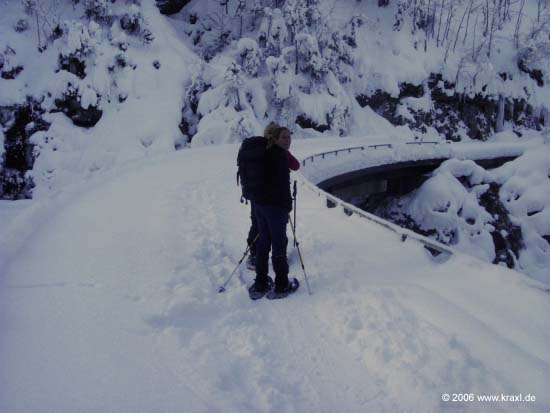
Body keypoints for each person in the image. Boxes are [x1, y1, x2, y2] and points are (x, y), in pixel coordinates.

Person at [249, 126, 300, 300]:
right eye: (284, 137)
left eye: (289, 136)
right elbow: (282, 185)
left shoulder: (264, 152)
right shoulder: (280, 156)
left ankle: (261, 283)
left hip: (259, 205)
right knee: (279, 244)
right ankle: (281, 285)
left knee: (263, 243)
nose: (288, 140)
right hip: (275, 208)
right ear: (276, 139)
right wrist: (287, 207)